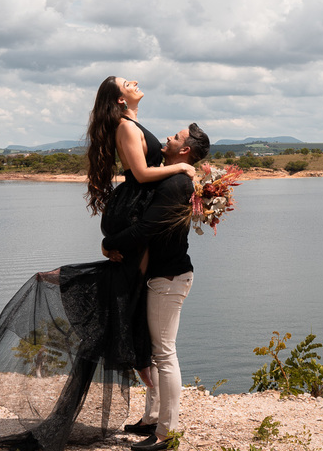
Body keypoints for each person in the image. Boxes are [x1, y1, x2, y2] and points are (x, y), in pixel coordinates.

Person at [0, 76, 196, 451]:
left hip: (143, 228)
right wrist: (183, 169)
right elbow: (142, 175)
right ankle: (159, 423)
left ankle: (155, 418)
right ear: (120, 99)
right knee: (124, 303)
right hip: (135, 220)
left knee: (131, 316)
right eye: (128, 82)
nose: (135, 81)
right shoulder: (126, 126)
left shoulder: (132, 123)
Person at [102, 124, 210, 451]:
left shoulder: (177, 183)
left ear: (185, 151)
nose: (167, 139)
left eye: (174, 138)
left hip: (169, 278)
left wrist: (109, 242)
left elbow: (147, 228)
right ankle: (152, 418)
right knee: (153, 350)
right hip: (162, 277)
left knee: (164, 353)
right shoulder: (173, 177)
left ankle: (166, 434)